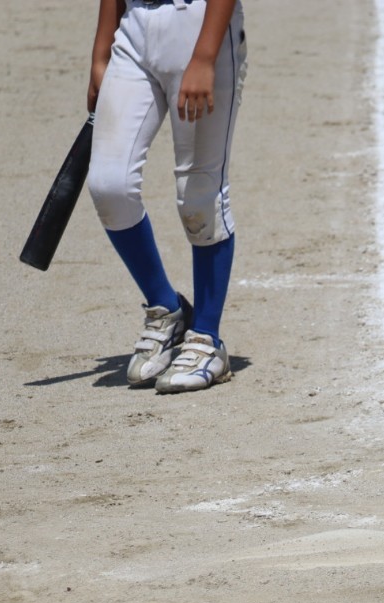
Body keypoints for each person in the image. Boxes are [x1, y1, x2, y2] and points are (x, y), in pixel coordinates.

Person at [88, 0, 247, 393]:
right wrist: (101, 52)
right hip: (134, 30)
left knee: (199, 194)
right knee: (109, 184)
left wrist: (205, 55)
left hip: (199, 23)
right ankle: (167, 310)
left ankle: (207, 338)